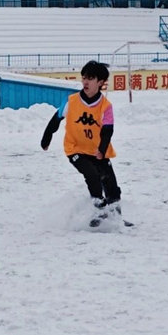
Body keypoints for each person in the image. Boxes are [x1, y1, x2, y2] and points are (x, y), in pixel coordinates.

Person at [40, 60, 122, 227]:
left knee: (110, 182)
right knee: (92, 174)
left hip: (97, 150)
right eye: (83, 77)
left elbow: (107, 131)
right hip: (75, 149)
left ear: (100, 82)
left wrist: (102, 149)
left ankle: (115, 216)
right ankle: (99, 208)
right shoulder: (72, 101)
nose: (85, 82)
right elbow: (55, 120)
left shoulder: (106, 107)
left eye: (90, 78)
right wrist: (46, 138)